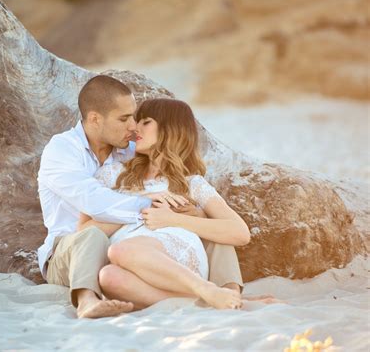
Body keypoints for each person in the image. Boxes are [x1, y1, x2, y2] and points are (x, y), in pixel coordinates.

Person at [37, 75, 202, 318]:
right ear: (95, 119)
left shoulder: (130, 150)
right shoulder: (61, 150)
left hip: (123, 248)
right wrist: (152, 203)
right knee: (91, 235)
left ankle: (228, 289)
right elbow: (93, 202)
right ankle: (86, 301)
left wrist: (193, 212)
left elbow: (171, 161)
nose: (133, 126)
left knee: (208, 225)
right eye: (124, 119)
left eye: (134, 117)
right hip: (70, 251)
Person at [77, 98, 248, 310]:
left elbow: (240, 232)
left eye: (145, 122)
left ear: (170, 129)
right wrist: (136, 208)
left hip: (176, 255)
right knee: (108, 277)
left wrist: (175, 219)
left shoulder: (191, 183)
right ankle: (199, 299)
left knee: (121, 250)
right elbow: (83, 232)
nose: (134, 127)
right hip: (131, 265)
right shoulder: (112, 174)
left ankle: (207, 289)